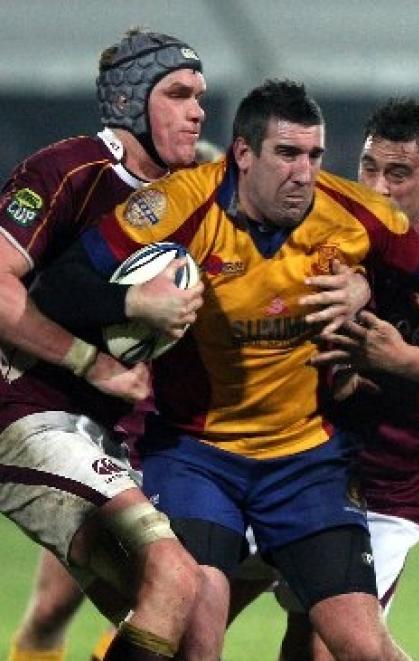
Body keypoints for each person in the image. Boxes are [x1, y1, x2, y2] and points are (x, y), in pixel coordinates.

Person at [32, 80, 419, 661]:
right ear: (243, 154)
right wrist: (133, 304)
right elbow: (61, 284)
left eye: (314, 155)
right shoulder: (179, 206)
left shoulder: (354, 215)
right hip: (199, 457)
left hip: (308, 465)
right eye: (287, 154)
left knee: (360, 646)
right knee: (197, 637)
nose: (304, 172)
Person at [2, 28, 207, 661]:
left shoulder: (188, 196)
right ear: (129, 101)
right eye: (177, 93)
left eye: (200, 95)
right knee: (173, 576)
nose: (198, 110)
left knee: (190, 629)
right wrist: (89, 359)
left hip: (102, 433)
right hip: (26, 413)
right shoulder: (67, 170)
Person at [275, 98, 419, 660]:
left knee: (332, 646)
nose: (377, 188)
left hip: (386, 486)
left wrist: (398, 360)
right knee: (193, 602)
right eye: (368, 167)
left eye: (397, 174)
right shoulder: (318, 224)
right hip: (287, 464)